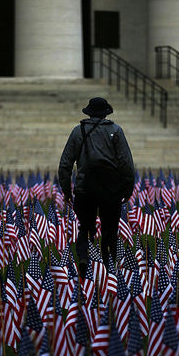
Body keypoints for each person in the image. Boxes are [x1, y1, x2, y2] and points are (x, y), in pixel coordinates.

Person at [58, 97, 135, 277]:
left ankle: (84, 257)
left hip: (85, 187)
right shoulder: (116, 131)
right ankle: (108, 269)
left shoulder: (78, 131)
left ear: (89, 113)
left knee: (85, 226)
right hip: (111, 188)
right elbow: (126, 162)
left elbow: (65, 163)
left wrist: (66, 189)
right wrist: (128, 187)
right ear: (106, 113)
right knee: (110, 230)